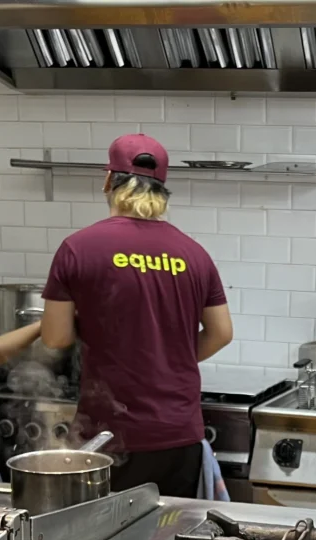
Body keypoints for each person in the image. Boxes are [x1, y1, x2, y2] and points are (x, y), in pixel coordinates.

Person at [40, 134, 233, 497]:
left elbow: (55, 338)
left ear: (107, 181)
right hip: (179, 434)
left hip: (111, 436)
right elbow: (221, 332)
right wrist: (166, 358)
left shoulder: (78, 249)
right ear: (162, 190)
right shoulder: (193, 253)